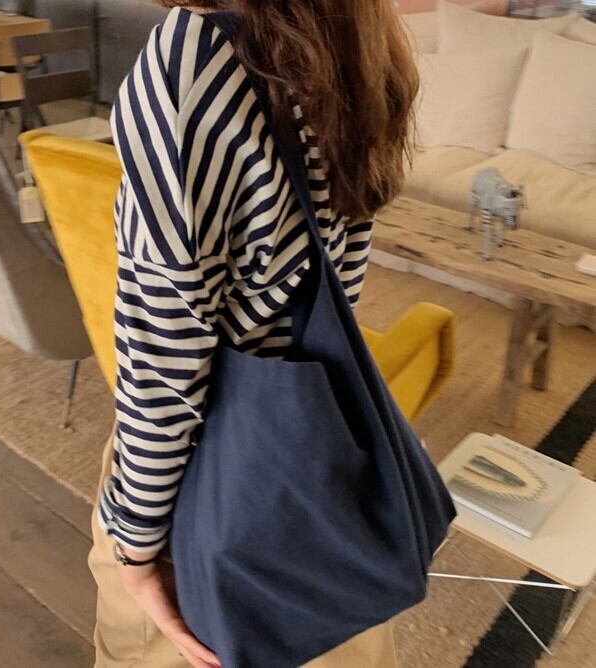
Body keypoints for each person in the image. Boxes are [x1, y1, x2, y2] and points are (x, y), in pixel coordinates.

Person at [88, 1, 419, 666]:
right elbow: (340, 282)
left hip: (207, 494)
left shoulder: (187, 61)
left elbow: (167, 356)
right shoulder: (355, 34)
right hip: (323, 467)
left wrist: (137, 543)